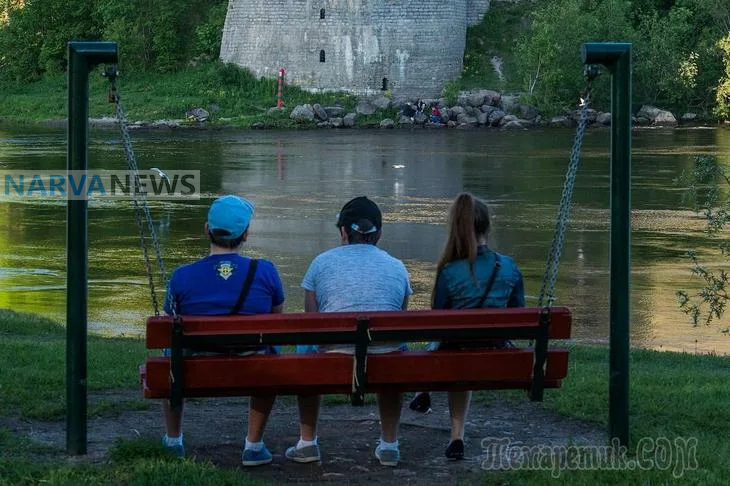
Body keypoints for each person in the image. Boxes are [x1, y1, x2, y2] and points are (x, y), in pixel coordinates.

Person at [285, 196, 412, 467]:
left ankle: (307, 442)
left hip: (333, 361)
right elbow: (399, 322)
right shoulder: (398, 268)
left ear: (343, 231)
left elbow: (311, 323)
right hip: (386, 365)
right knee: (396, 349)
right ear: (379, 234)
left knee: (305, 347)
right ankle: (389, 445)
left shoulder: (320, 263)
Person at [161, 195, 285, 466]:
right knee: (271, 350)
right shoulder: (265, 271)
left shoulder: (182, 275)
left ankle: (173, 441)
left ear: (206, 230)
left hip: (196, 367)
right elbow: (277, 320)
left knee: (170, 353)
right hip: (254, 365)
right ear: (246, 234)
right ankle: (253, 445)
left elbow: (168, 322)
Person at [409, 192, 525, 460]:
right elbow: (519, 314)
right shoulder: (509, 266)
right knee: (462, 349)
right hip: (497, 354)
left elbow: (436, 321)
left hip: (458, 354)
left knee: (453, 349)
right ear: (487, 226)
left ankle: (453, 430)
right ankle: (454, 434)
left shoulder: (449, 271)